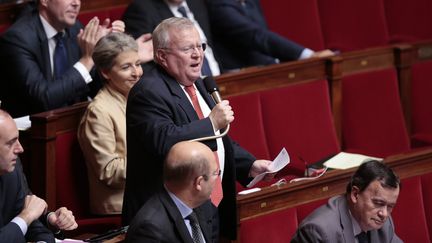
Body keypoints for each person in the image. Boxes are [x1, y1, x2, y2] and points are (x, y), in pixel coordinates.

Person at [122, 17, 274, 240]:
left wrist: (249, 165)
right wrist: (211, 122)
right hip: (166, 221)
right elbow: (164, 141)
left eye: (199, 46)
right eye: (187, 48)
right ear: (162, 56)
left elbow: (217, 139)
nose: (197, 54)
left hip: (208, 205)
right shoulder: (148, 92)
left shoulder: (199, 84)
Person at [0, 0, 125, 118]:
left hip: (71, 123)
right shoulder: (18, 39)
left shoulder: (75, 29)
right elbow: (43, 100)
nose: (76, 3)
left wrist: (105, 52)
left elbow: (96, 89)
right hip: (31, 132)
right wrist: (87, 60)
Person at [77, 32, 143, 215]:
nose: (136, 73)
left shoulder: (139, 98)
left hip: (146, 200)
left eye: (138, 64)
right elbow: (109, 171)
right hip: (119, 210)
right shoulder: (98, 112)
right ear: (105, 72)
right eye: (126, 67)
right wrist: (155, 160)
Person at [0, 109, 78, 242]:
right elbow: (26, 217)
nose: (20, 149)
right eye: (10, 143)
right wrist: (26, 216)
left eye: (17, 140)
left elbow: (33, 226)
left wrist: (52, 222)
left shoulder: (12, 171)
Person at [126, 141, 218, 243]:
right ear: (199, 182)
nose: (216, 178)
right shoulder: (150, 229)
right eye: (215, 173)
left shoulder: (204, 207)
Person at [291, 160, 403, 243]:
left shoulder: (384, 224)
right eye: (378, 203)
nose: (384, 214)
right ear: (355, 194)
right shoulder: (317, 232)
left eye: (390, 206)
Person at [207, 0, 334, 71]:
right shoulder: (219, 7)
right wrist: (308, 55)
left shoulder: (249, 2)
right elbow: (258, 36)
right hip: (246, 77)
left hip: (270, 68)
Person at [122, 0, 221, 76]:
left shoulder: (195, 2)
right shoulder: (141, 9)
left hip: (220, 78)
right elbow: (142, 61)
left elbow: (210, 44)